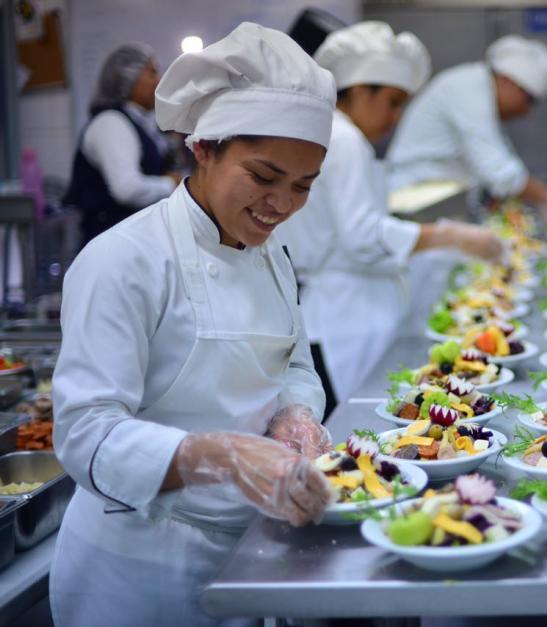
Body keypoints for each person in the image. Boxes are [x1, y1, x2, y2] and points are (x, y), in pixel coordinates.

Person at [50, 23, 338, 627]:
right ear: (202, 148)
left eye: (303, 186)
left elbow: (294, 364)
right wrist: (220, 454)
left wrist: (296, 414)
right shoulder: (123, 259)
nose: (281, 205)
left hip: (246, 550)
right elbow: (85, 433)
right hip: (136, 567)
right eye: (262, 177)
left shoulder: (270, 254)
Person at [279, 22, 503, 409]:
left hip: (339, 308)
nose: (396, 117)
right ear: (362, 90)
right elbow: (363, 236)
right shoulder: (345, 139)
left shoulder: (338, 136)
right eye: (393, 102)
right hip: (344, 318)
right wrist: (453, 236)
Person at [386, 34, 547, 217]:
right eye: (528, 100)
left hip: (437, 200)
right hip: (415, 199)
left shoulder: (478, 89)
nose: (527, 112)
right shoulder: (469, 90)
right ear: (507, 81)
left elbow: (499, 164)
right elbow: (500, 172)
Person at [63, 43, 185, 245]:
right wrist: (170, 183)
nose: (159, 80)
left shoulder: (141, 122)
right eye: (152, 72)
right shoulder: (111, 123)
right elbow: (127, 189)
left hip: (132, 240)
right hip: (109, 244)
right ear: (128, 78)